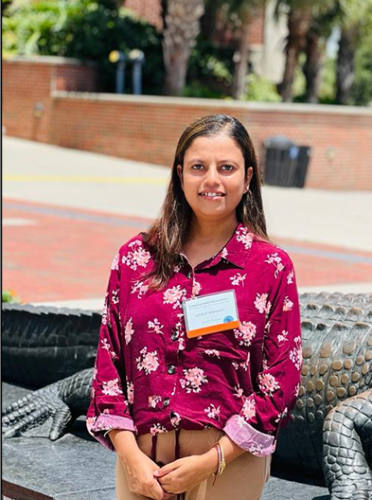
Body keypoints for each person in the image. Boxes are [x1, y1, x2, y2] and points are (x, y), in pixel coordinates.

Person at [86, 114, 302, 500]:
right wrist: (130, 458)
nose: (212, 180)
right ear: (180, 173)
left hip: (227, 465)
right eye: (199, 167)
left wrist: (213, 460)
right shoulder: (135, 258)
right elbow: (109, 363)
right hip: (141, 464)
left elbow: (282, 378)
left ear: (248, 178)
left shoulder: (270, 267)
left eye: (227, 168)